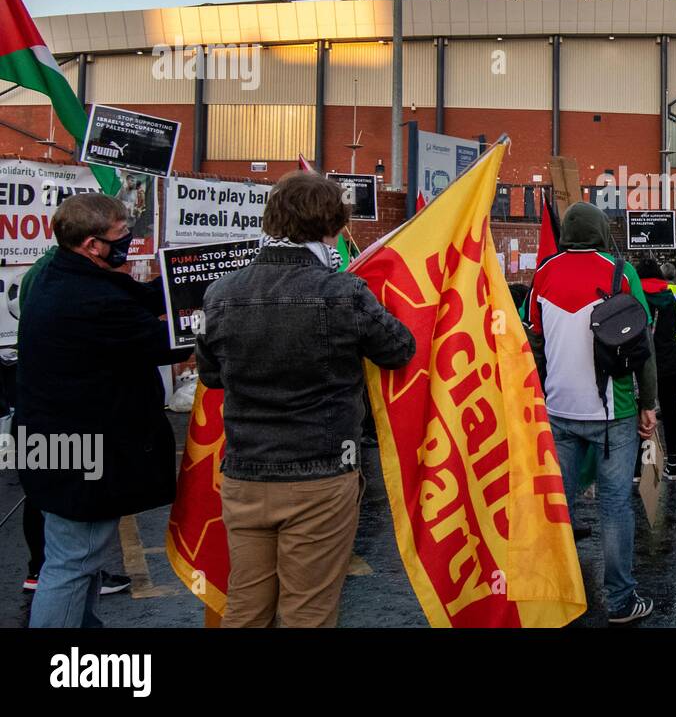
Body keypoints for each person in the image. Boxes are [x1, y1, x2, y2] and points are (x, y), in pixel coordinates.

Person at [196, 172, 415, 627]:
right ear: (333, 225)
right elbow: (398, 350)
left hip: (245, 472)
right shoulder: (343, 292)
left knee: (245, 606)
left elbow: (212, 375)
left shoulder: (220, 292)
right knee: (308, 611)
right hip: (322, 473)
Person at [17, 194, 192, 627]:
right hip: (79, 453)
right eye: (120, 236)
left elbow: (145, 297)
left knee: (77, 558)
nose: (129, 242)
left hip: (55, 441)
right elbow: (165, 342)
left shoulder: (62, 273)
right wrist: (228, 309)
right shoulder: (90, 299)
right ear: (93, 245)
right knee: (73, 562)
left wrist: (203, 272)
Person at [526, 202, 657, 624]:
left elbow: (535, 341)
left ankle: (552, 592)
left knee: (556, 505)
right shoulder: (620, 272)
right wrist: (648, 405)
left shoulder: (543, 273)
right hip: (612, 412)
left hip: (557, 409)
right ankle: (620, 602)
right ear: (601, 230)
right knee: (615, 505)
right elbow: (643, 346)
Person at [636, 259, 676, 479]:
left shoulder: (635, 297)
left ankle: (638, 468)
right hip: (668, 362)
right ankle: (672, 465)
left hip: (642, 362)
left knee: (640, 413)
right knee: (671, 413)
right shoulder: (668, 296)